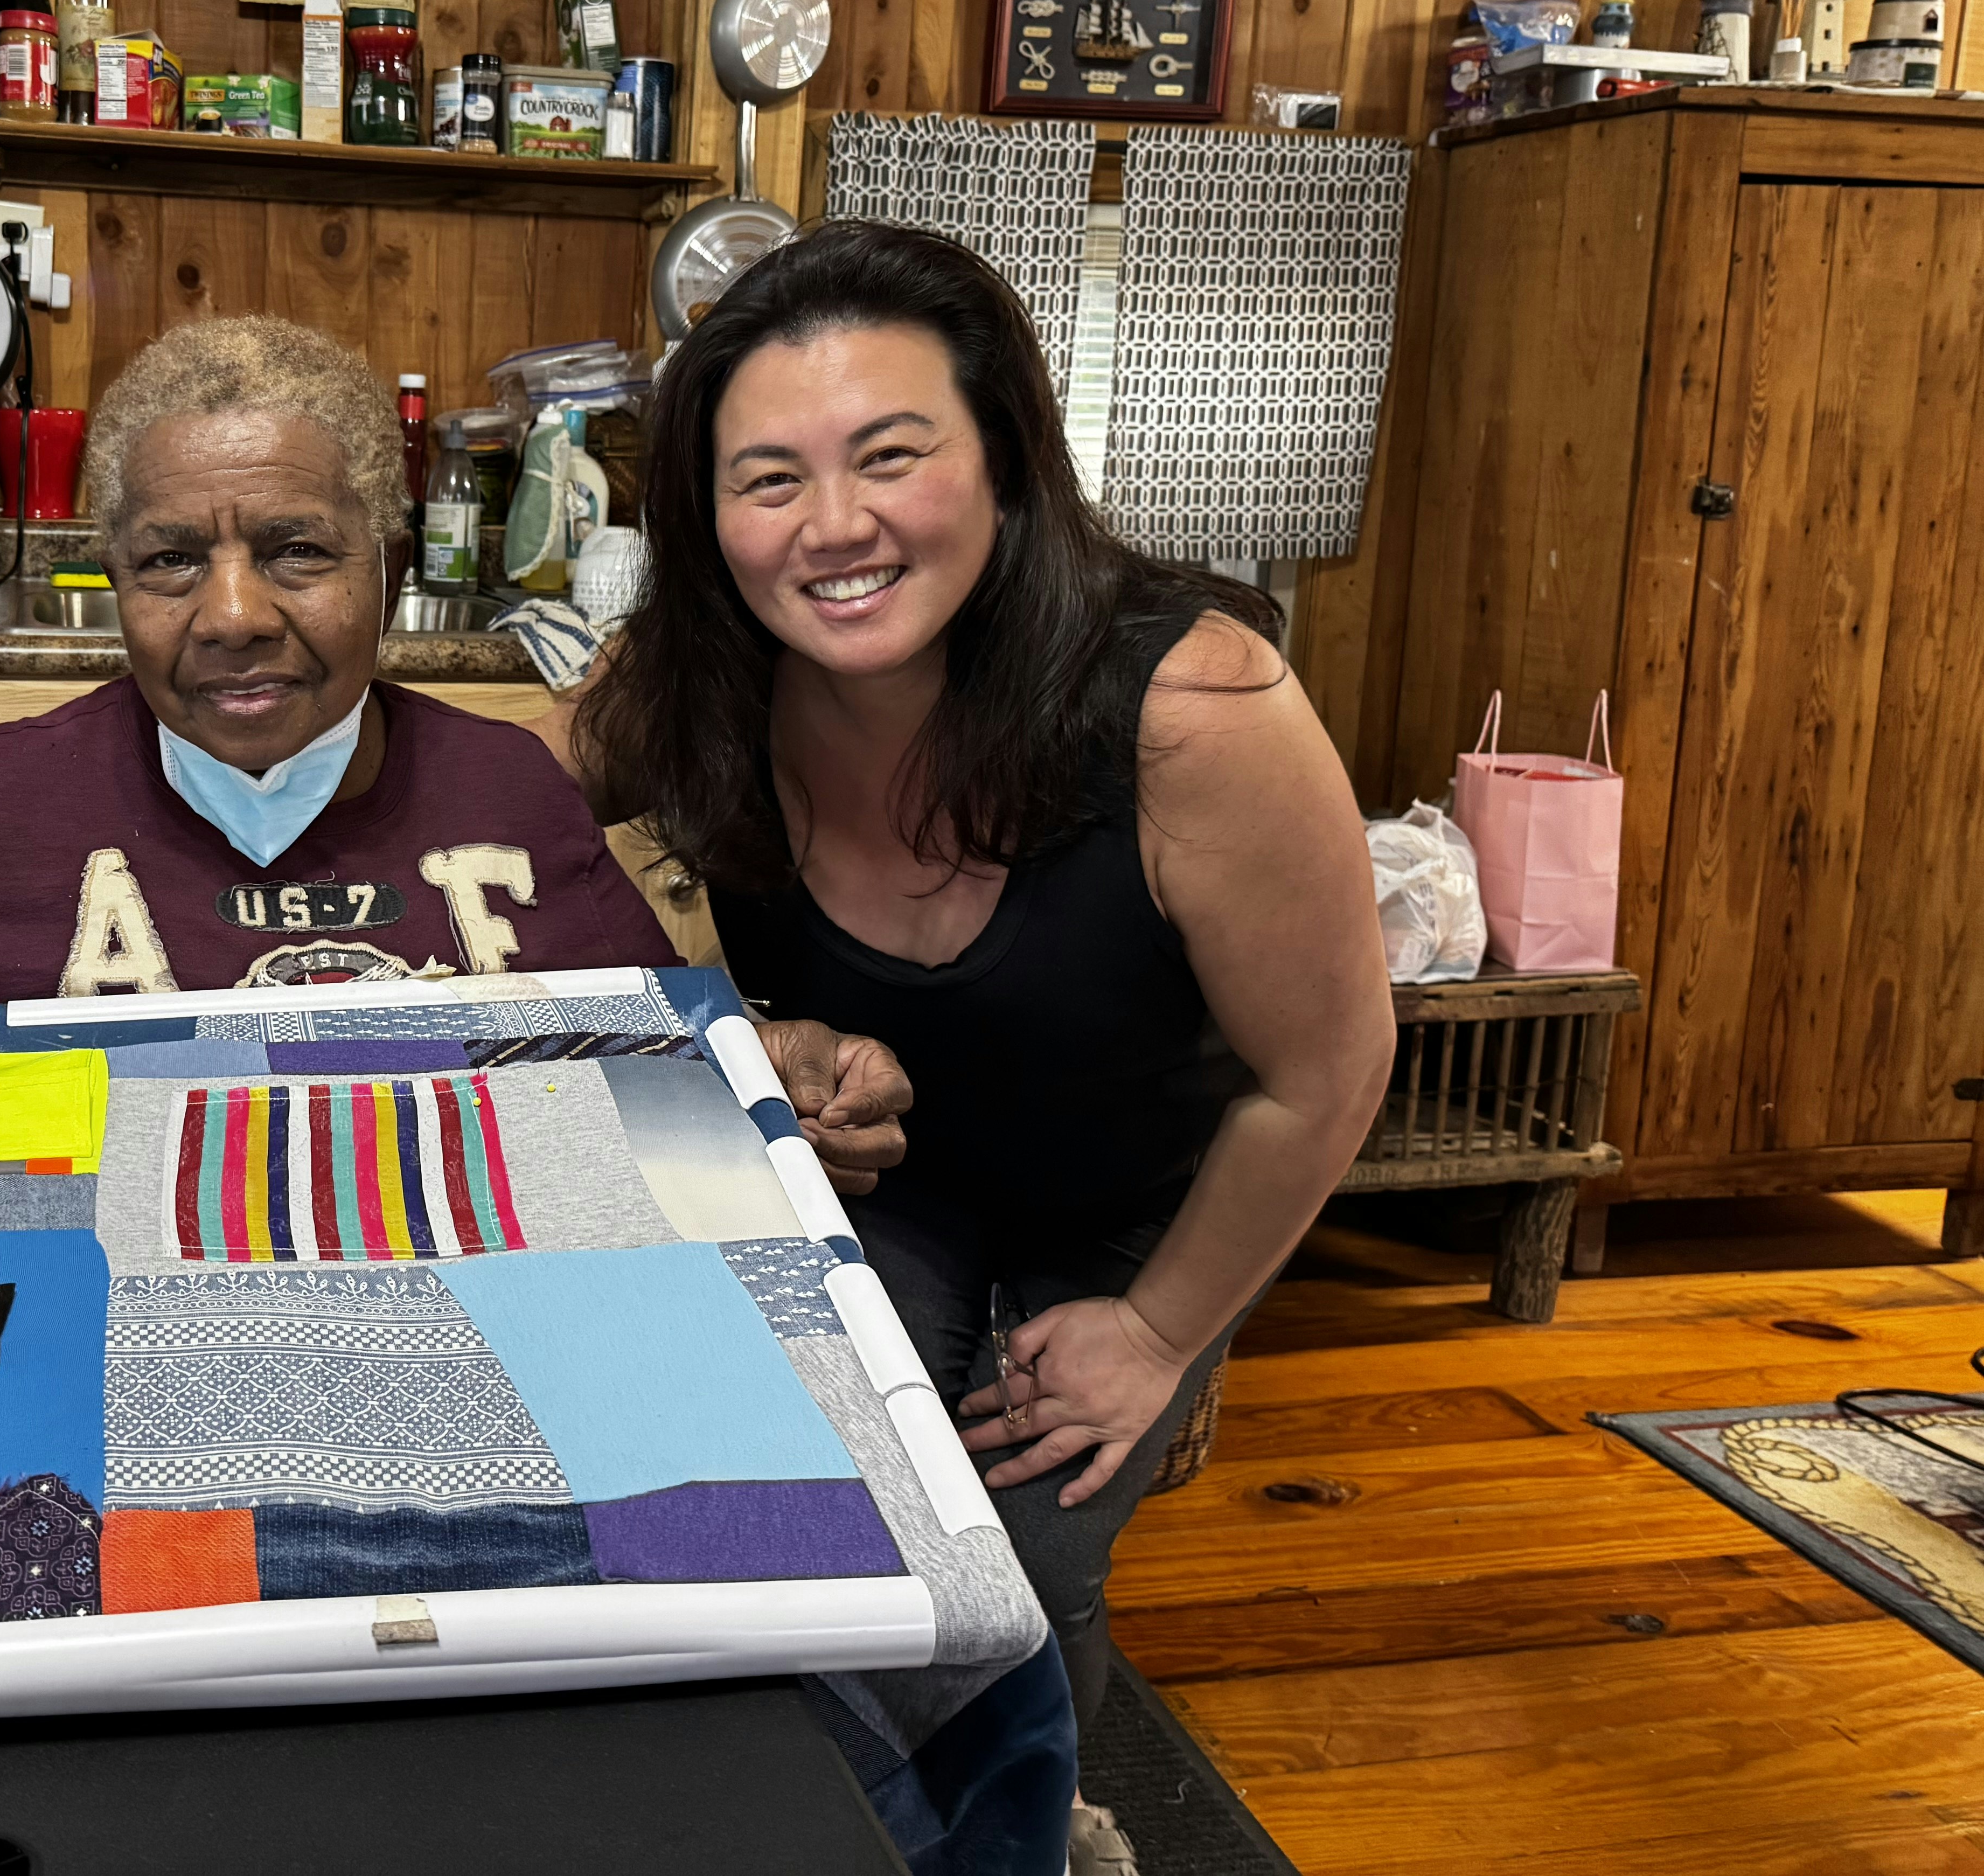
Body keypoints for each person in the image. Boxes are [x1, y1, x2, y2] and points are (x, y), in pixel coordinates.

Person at [552, 223, 1394, 1873]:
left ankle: (1035, 1831)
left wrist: (1157, 1329)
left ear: (1005, 459)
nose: (833, 523)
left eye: (890, 454)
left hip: (1152, 1199)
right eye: (769, 477)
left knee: (1021, 1557)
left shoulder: (1197, 707)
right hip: (893, 1184)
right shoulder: (690, 678)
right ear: (706, 518)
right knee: (790, 1493)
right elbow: (488, 820)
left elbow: (1326, 1073)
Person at [0, 312, 909, 1319]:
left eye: (297, 551)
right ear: (116, 579)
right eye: (169, 561)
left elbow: (672, 1094)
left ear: (390, 562)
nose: (231, 616)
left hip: (493, 1364)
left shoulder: (512, 795)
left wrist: (774, 1083)